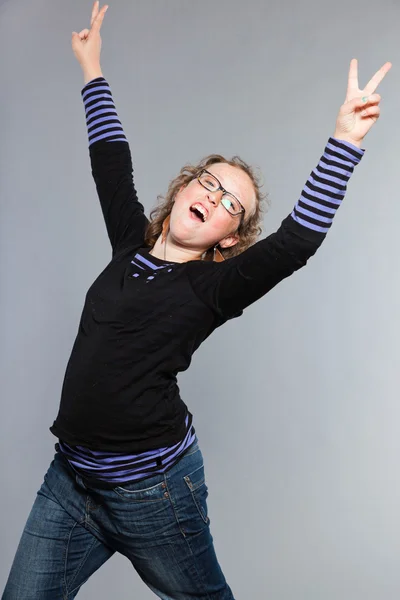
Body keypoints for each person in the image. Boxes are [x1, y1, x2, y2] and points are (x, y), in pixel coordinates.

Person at [2, 2, 391, 599]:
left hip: (153, 494)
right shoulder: (129, 243)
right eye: (208, 182)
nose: (213, 196)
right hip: (71, 482)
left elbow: (296, 243)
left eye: (230, 203)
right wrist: (91, 69)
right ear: (184, 187)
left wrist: (344, 141)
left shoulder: (213, 289)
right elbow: (111, 161)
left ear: (229, 237)